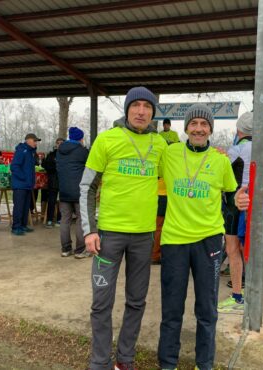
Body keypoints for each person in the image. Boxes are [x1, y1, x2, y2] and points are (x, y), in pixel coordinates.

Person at [79, 86, 167, 370]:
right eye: (136, 105)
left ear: (153, 112)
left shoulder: (161, 145)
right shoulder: (107, 140)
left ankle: (125, 359)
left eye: (147, 106)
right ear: (127, 109)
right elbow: (87, 187)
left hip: (143, 238)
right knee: (101, 303)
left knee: (137, 301)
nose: (141, 111)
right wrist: (89, 230)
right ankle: (100, 361)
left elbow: (184, 174)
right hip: (108, 236)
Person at [157, 104, 248, 370]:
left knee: (207, 310)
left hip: (208, 240)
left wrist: (238, 201)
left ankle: (204, 364)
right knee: (172, 309)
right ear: (186, 128)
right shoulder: (169, 153)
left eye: (204, 124)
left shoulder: (220, 160)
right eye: (194, 124)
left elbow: (231, 197)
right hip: (174, 240)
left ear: (210, 129)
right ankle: (167, 364)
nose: (198, 129)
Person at [217, 112, 253, 313]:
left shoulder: (237, 148)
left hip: (234, 202)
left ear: (240, 130)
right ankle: (248, 295)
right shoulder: (262, 149)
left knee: (232, 249)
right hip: (253, 202)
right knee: (246, 248)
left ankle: (238, 297)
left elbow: (221, 174)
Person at [56, 127, 89, 258]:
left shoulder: (60, 151)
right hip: (79, 191)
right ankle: (80, 250)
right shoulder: (83, 151)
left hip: (63, 190)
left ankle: (65, 249)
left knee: (65, 220)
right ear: (80, 138)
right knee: (81, 220)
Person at [10, 133, 40, 235]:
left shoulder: (31, 153)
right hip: (20, 185)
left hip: (27, 185)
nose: (36, 143)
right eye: (34, 141)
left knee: (25, 206)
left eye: (36, 141)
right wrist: (24, 178)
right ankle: (16, 227)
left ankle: (22, 225)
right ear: (28, 140)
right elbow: (14, 166)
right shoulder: (22, 151)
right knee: (19, 206)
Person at [42, 138, 64, 228]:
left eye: (61, 143)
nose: (59, 145)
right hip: (53, 181)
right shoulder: (51, 155)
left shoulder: (67, 155)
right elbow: (46, 165)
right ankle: (49, 220)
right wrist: (56, 165)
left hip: (63, 182)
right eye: (58, 143)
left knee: (62, 202)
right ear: (56, 144)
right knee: (51, 201)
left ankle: (60, 219)